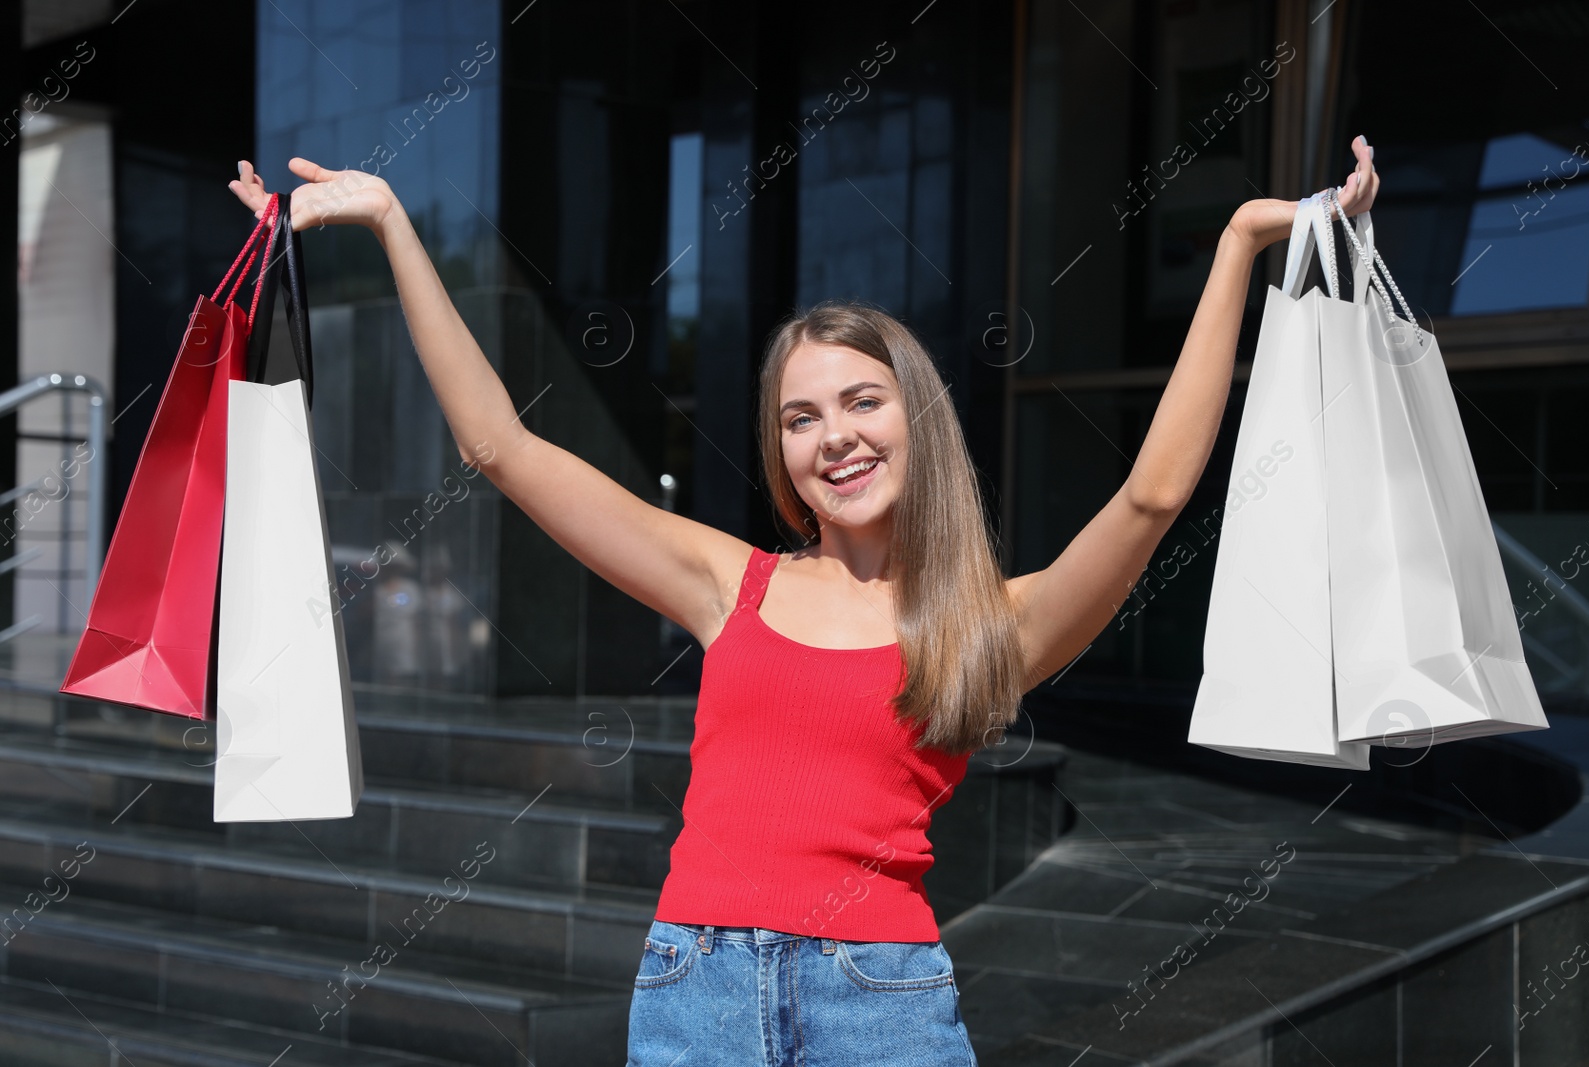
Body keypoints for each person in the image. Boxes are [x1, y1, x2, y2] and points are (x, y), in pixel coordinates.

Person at [228, 134, 1379, 1065]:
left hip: (878, 999)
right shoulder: (729, 578)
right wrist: (392, 226)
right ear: (782, 455)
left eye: (861, 400)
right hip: (695, 992)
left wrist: (1235, 244)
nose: (835, 435)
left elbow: (1151, 495)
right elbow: (497, 443)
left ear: (914, 418)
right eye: (800, 416)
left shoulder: (991, 620)